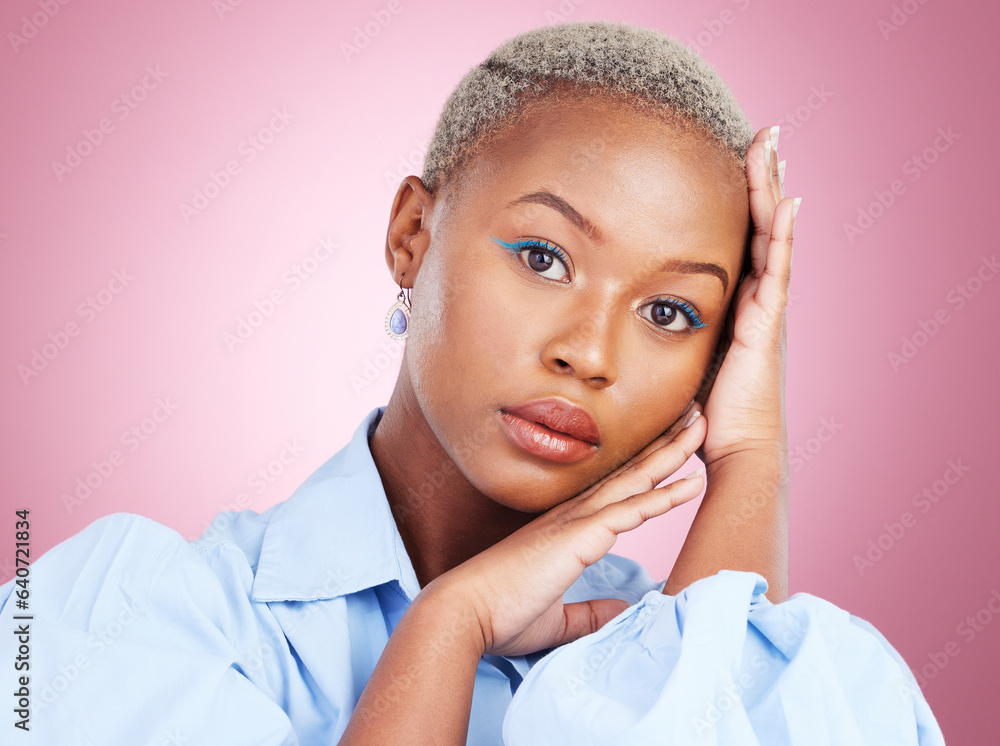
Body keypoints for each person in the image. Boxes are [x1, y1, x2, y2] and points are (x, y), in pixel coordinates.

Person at [0, 20, 943, 746]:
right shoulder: (120, 612)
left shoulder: (779, 679)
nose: (590, 352)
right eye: (543, 255)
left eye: (670, 314)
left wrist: (751, 454)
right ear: (411, 233)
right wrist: (447, 628)